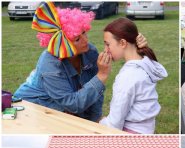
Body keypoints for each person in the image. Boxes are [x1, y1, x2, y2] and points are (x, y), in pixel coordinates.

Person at [13, 2, 146, 122]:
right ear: (62, 45)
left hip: (63, 107)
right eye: (77, 39)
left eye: (84, 33)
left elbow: (96, 94)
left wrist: (95, 121)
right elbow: (73, 104)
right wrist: (101, 76)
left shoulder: (89, 51)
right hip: (29, 107)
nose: (86, 40)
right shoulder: (50, 63)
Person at [99, 18, 167, 134]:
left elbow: (114, 124)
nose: (105, 50)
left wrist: (99, 123)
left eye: (107, 44)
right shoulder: (146, 64)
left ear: (123, 43)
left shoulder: (128, 76)